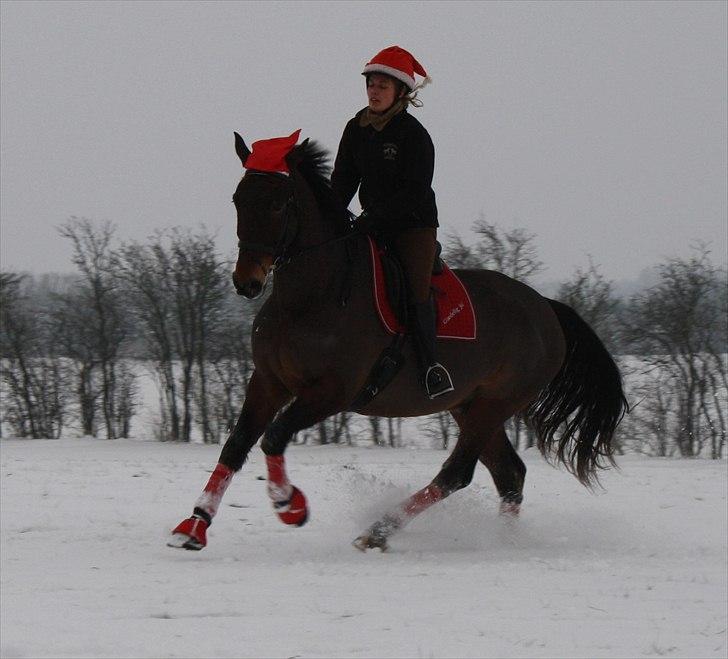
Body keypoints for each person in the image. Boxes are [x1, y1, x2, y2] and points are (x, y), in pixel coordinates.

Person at [331, 45, 454, 399]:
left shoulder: (413, 134)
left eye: (383, 86)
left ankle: (432, 366)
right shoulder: (355, 128)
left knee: (415, 287)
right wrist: (329, 214)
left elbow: (415, 191)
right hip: (370, 224)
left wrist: (374, 217)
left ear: (400, 92)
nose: (374, 91)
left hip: (412, 226)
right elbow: (342, 180)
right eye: (371, 84)